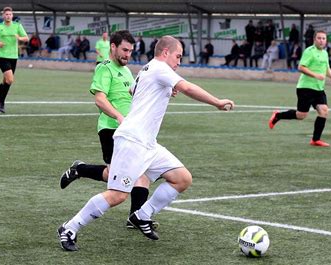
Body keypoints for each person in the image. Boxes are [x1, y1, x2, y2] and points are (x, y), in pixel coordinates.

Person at [57, 35, 234, 251]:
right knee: (117, 195)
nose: (179, 62)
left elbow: (134, 91)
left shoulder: (147, 69)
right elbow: (187, 87)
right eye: (178, 56)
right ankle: (69, 227)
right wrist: (216, 102)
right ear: (165, 52)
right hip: (132, 140)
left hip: (148, 143)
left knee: (182, 178)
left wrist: (167, 89)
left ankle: (142, 215)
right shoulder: (160, 67)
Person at [59, 30, 155, 230]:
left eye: (131, 51)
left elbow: (134, 95)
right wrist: (119, 117)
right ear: (113, 47)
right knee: (121, 176)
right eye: (124, 50)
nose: (128, 54)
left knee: (138, 172)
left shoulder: (127, 71)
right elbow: (100, 100)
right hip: (111, 130)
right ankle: (80, 169)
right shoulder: (105, 68)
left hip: (131, 132)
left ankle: (134, 217)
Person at [268, 30, 331, 147]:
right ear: (314, 40)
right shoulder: (309, 51)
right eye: (319, 38)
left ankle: (315, 140)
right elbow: (301, 67)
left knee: (324, 110)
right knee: (301, 115)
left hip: (319, 89)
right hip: (306, 88)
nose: (322, 41)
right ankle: (278, 115)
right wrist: (315, 75)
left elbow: (326, 67)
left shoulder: (325, 53)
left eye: (324, 38)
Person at [0, 6, 28, 114]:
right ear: (3, 16)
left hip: (13, 57)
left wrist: (20, 38)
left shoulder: (17, 26)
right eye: (6, 14)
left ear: (12, 16)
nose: (8, 16)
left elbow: (26, 38)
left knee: (6, 81)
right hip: (2, 56)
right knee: (10, 80)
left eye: (10, 14)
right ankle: (1, 102)